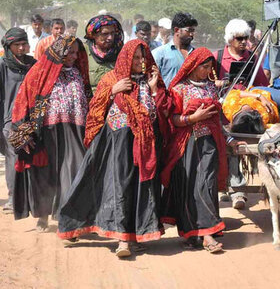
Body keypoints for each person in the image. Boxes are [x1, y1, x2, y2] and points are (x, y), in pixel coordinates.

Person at [58, 39, 170, 257]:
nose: (140, 62)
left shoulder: (152, 79)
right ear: (127, 57)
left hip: (145, 144)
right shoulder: (112, 78)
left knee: (142, 189)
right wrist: (112, 91)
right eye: (136, 57)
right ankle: (122, 241)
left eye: (143, 57)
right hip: (117, 142)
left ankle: (136, 234)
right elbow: (95, 109)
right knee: (120, 187)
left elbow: (164, 111)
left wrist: (156, 89)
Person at [161, 48, 244, 252]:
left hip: (209, 144)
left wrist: (230, 139)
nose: (208, 71)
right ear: (193, 66)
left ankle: (207, 233)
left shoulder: (210, 88)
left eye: (210, 67)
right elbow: (173, 119)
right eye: (204, 67)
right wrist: (193, 118)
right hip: (187, 145)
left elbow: (218, 119)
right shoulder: (178, 89)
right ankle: (192, 234)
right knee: (188, 188)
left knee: (206, 185)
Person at [9, 36, 92, 231]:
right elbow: (23, 100)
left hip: (74, 132)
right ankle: (43, 216)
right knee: (45, 177)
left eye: (76, 52)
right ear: (58, 51)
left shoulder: (79, 74)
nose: (73, 56)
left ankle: (70, 220)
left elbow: (88, 99)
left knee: (75, 172)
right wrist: (23, 130)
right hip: (45, 134)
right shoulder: (40, 72)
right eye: (69, 52)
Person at [0, 28, 36, 213]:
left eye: (24, 44)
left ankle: (33, 198)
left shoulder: (34, 64)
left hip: (33, 120)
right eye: (17, 45)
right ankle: (14, 197)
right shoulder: (3, 66)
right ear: (9, 46)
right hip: (10, 120)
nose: (22, 48)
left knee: (34, 158)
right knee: (14, 157)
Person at [214, 19, 269, 88]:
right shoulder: (217, 57)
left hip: (247, 98)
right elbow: (207, 84)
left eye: (246, 38)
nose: (243, 41)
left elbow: (262, 84)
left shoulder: (252, 58)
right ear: (230, 38)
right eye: (239, 38)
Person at [152, 12, 197, 87]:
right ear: (177, 30)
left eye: (193, 31)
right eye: (189, 30)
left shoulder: (196, 54)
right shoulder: (159, 54)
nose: (191, 34)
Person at [84, 14, 125, 87]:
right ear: (93, 35)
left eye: (112, 33)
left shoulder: (121, 51)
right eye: (105, 34)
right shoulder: (83, 51)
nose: (110, 38)